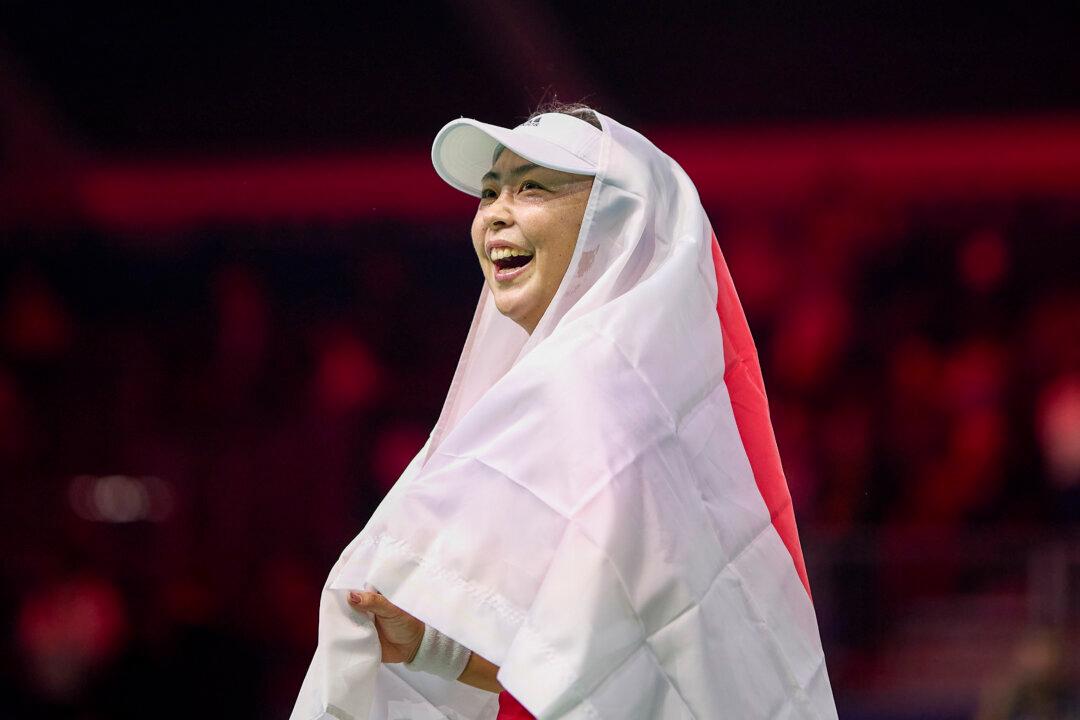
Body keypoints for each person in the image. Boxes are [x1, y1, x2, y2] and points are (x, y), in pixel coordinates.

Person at [291, 104, 838, 719]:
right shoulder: (642, 393)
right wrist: (436, 648)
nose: (495, 212)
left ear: (617, 216)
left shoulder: (588, 387)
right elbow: (624, 665)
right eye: (490, 191)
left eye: (531, 188)